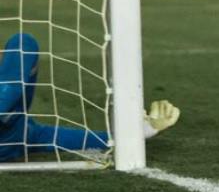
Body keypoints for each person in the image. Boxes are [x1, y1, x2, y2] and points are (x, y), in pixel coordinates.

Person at [0, 33, 179, 162]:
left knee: (23, 41)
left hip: (12, 134)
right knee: (23, 42)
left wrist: (143, 130)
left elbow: (86, 139)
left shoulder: (24, 133)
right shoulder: (25, 132)